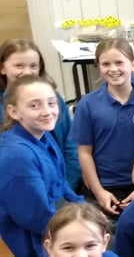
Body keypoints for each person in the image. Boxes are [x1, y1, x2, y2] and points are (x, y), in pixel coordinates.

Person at [0, 76, 83, 257]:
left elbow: (62, 184)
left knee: (118, 233)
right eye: (34, 106)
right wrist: (83, 233)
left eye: (51, 103)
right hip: (39, 236)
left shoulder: (42, 136)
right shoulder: (17, 155)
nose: (47, 111)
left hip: (57, 214)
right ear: (14, 112)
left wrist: (84, 209)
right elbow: (38, 220)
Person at [69, 38, 134, 217]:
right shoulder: (87, 104)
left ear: (133, 64)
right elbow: (84, 153)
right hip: (102, 187)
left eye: (119, 62)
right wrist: (98, 192)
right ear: (98, 66)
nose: (113, 69)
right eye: (106, 64)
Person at [0, 38, 81, 190]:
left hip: (61, 183)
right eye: (19, 66)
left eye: (33, 66)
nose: (27, 72)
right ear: (2, 68)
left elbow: (70, 143)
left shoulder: (53, 98)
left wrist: (67, 185)